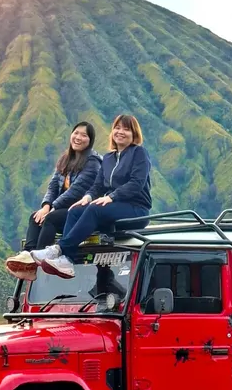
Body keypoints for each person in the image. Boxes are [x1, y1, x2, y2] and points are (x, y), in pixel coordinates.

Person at [30, 114, 152, 279]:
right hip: (114, 207)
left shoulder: (139, 153)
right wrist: (87, 197)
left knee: (95, 209)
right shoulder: (108, 158)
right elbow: (98, 185)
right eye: (117, 128)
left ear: (134, 134)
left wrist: (112, 197)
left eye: (126, 129)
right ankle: (66, 260)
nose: (120, 132)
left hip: (136, 209)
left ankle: (60, 250)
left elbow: (137, 183)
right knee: (75, 210)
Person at [5, 122, 101, 279]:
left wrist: (52, 208)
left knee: (50, 218)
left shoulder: (93, 162)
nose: (78, 137)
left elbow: (77, 190)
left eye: (84, 135)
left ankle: (38, 259)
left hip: (79, 213)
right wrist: (46, 206)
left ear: (90, 140)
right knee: (35, 217)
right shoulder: (65, 159)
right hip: (62, 208)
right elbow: (52, 186)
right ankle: (28, 255)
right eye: (76, 133)